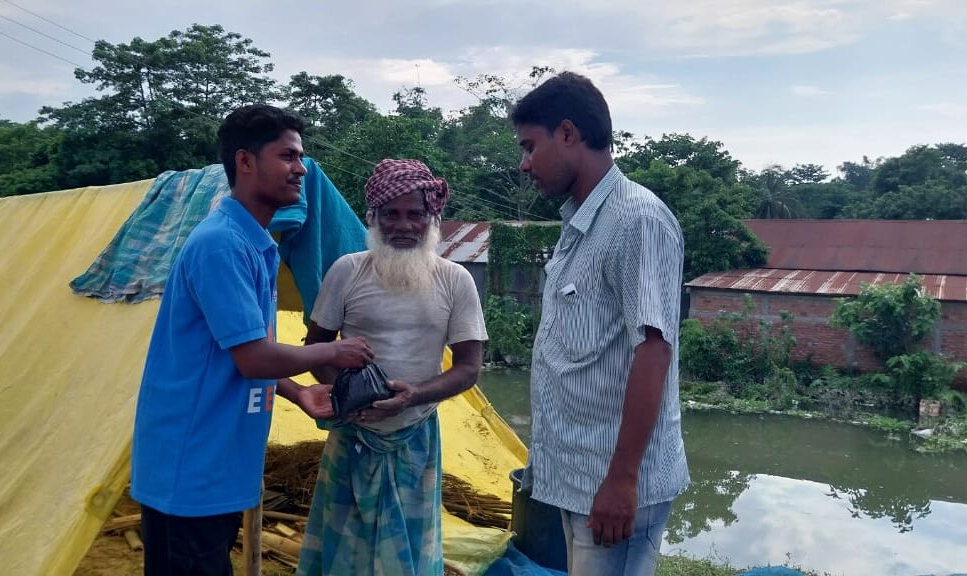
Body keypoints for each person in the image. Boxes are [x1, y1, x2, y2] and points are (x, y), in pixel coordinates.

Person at [130, 104, 374, 576]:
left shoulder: (255, 244)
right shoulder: (221, 244)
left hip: (215, 460)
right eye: (288, 156)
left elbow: (233, 353)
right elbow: (253, 357)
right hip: (192, 464)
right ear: (245, 161)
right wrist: (332, 351)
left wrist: (299, 391)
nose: (301, 168)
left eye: (300, 157)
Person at [511, 72, 689, 576]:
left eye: (530, 146)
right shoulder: (581, 223)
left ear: (568, 133)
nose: (524, 164)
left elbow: (653, 351)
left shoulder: (638, 220)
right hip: (578, 475)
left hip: (612, 486)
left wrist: (623, 479)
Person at [296, 159, 488, 575]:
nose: (403, 225)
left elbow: (470, 368)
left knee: (410, 556)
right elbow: (316, 347)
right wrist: (349, 400)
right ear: (374, 218)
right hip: (353, 434)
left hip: (415, 437)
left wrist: (412, 397)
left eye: (415, 214)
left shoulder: (456, 280)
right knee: (344, 553)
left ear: (432, 219)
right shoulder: (347, 271)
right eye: (391, 214)